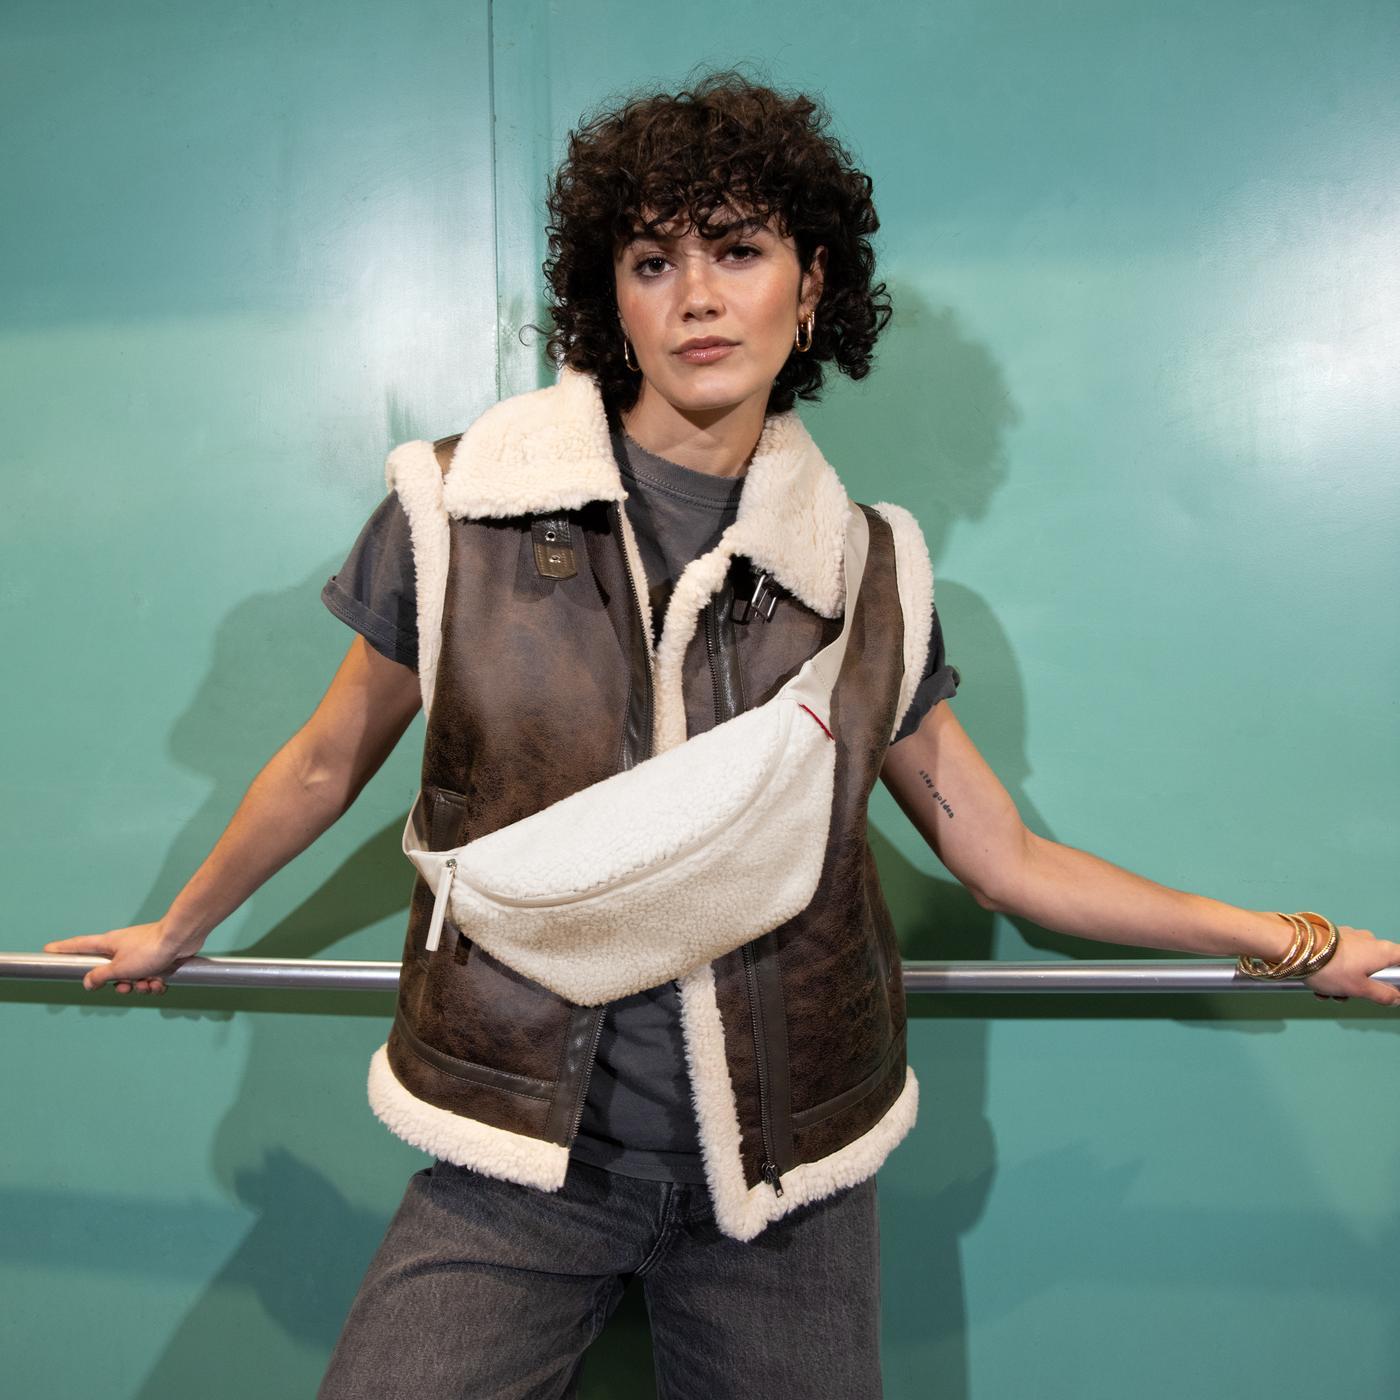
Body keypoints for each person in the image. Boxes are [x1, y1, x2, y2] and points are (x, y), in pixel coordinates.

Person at [43, 67, 1400, 1400]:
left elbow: (1006, 858)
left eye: (739, 251)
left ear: (811, 288)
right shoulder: (461, 511)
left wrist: (1294, 941)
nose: (695, 296)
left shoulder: (869, 571)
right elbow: (326, 758)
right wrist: (182, 925)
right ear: (612, 301)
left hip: (788, 1179)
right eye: (652, 262)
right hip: (519, 1155)